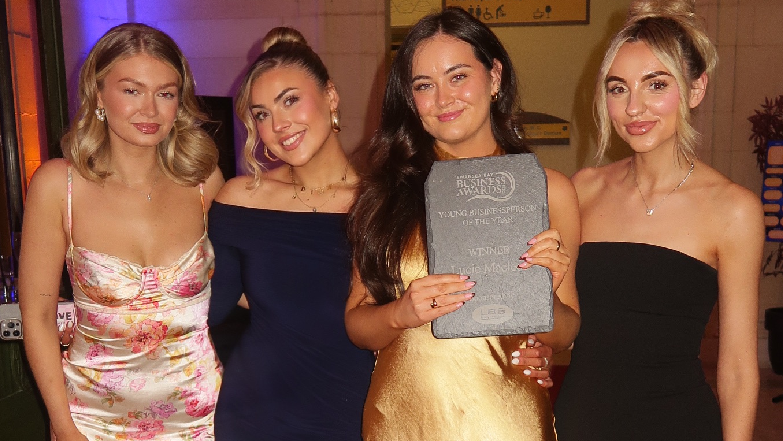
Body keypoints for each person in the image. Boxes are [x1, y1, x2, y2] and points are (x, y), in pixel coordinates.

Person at [345, 8, 581, 440]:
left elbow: (564, 333)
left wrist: (543, 292)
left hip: (505, 418)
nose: (443, 99)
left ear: (494, 77)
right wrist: (401, 312)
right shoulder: (385, 191)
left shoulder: (548, 190)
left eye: (457, 77)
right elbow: (357, 325)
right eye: (423, 86)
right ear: (410, 99)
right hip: (402, 419)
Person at [553, 1, 762, 440]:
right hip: (582, 420)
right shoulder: (584, 188)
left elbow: (739, 368)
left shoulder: (732, 208)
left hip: (679, 424)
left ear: (696, 89)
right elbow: (564, 324)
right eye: (618, 88)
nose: (634, 107)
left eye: (655, 85)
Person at [18, 23, 223, 441]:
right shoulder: (60, 187)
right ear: (98, 93)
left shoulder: (206, 184)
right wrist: (62, 424)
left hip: (200, 418)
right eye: (131, 90)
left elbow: (245, 287)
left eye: (165, 93)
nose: (150, 110)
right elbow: (36, 319)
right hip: (88, 420)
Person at [206, 27, 375, 440]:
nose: (279, 124)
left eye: (291, 101)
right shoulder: (242, 198)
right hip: (256, 416)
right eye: (262, 114)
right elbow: (204, 309)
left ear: (330, 97)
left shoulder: (382, 201)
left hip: (357, 412)